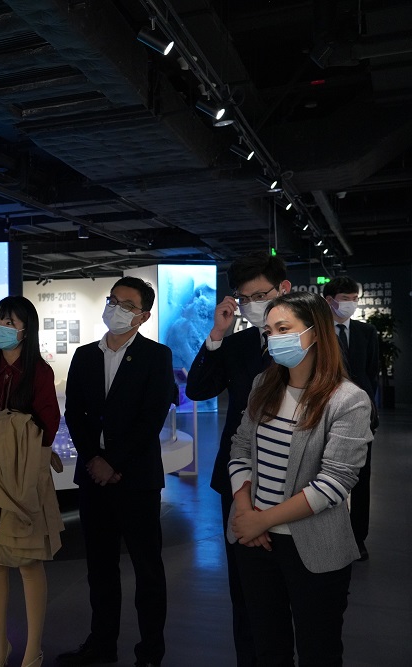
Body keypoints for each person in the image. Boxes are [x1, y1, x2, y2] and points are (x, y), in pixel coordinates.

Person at [227, 291, 371, 666]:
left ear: (315, 332)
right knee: (267, 648)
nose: (274, 338)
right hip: (255, 543)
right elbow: (240, 448)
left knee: (318, 651)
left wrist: (263, 520)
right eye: (269, 331)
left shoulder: (348, 399)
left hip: (313, 547)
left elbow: (334, 482)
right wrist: (246, 512)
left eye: (284, 329)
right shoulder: (264, 384)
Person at [59, 277, 175, 667]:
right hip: (94, 479)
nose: (116, 309)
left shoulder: (156, 356)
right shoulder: (85, 355)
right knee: (100, 568)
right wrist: (94, 458)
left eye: (127, 305)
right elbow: (74, 413)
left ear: (143, 316)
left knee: (147, 568)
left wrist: (115, 462)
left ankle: (151, 652)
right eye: (113, 301)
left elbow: (151, 417)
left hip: (136, 479)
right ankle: (102, 644)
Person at [184, 251, 290, 667]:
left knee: (291, 586)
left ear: (283, 289)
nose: (252, 305)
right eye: (244, 299)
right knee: (245, 587)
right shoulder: (238, 343)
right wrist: (217, 333)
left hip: (294, 482)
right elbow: (197, 389)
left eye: (260, 295)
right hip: (238, 480)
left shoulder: (310, 341)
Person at [0, 296, 63, 667]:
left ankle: (32, 650)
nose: (1, 328)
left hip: (25, 478)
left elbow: (47, 427)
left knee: (28, 562)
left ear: (27, 330)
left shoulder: (39, 373)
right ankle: (0, 648)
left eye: (9, 323)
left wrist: (3, 426)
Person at [322, 275, 378, 560]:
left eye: (355, 299)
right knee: (323, 474)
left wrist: (368, 407)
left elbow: (371, 373)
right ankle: (327, 534)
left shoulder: (366, 332)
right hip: (326, 411)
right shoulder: (318, 332)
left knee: (361, 476)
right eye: (345, 299)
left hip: (361, 413)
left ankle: (358, 538)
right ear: (330, 301)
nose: (351, 304)